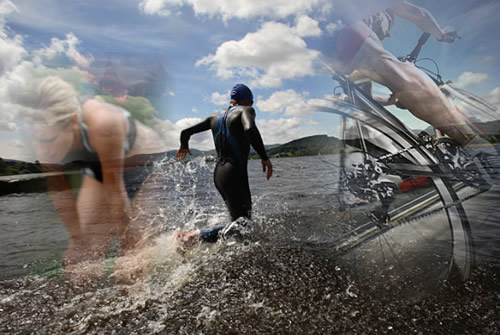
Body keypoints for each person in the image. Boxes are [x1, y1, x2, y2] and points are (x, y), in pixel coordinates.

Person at [19, 75, 167, 279]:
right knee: (82, 263)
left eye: (50, 139)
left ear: (72, 121)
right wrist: (77, 239)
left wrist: (128, 243)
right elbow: (59, 188)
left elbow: (114, 189)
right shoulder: (42, 129)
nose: (46, 150)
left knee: (132, 259)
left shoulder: (103, 122)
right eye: (38, 140)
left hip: (143, 166)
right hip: (99, 168)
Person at [334, 1, 497, 164]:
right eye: (390, 22)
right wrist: (440, 34)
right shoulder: (362, 10)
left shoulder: (352, 55)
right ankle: (476, 146)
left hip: (326, 51)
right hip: (340, 28)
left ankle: (410, 164)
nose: (389, 33)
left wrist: (393, 100)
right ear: (380, 15)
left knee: (365, 109)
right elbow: (418, 14)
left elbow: (368, 100)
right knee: (406, 77)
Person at [175, 84, 273, 246]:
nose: (252, 106)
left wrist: (184, 146)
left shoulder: (214, 117)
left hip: (219, 174)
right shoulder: (244, 110)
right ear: (245, 100)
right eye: (252, 102)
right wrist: (264, 157)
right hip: (234, 174)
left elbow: (185, 132)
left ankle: (224, 248)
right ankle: (191, 237)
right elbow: (250, 129)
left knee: (237, 221)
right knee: (243, 225)